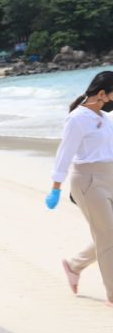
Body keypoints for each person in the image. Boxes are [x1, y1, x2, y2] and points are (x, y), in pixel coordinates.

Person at [46, 70, 113, 308]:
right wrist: (56, 187)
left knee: (108, 234)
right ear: (102, 93)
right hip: (88, 181)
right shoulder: (76, 119)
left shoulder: (105, 118)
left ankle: (75, 265)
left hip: (110, 177)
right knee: (107, 235)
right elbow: (64, 155)